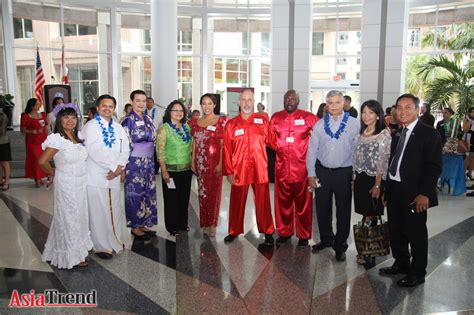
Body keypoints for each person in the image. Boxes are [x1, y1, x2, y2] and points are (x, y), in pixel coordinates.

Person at [380, 93, 442, 287]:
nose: (403, 111)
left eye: (408, 107)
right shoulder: (398, 132)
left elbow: (433, 167)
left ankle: (417, 271)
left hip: (416, 194)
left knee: (415, 233)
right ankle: (401, 262)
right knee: (396, 230)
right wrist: (386, 190)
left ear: (418, 110)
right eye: (399, 108)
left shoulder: (429, 134)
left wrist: (425, 194)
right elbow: (393, 163)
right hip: (395, 190)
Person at [307, 90, 360, 262]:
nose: (334, 106)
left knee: (343, 210)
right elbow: (312, 150)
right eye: (331, 103)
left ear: (344, 103)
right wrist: (311, 173)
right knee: (322, 208)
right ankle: (326, 239)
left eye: (338, 102)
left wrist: (355, 176)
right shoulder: (320, 125)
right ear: (326, 105)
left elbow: (358, 152)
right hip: (322, 172)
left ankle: (340, 245)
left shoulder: (354, 124)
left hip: (343, 173)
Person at [38, 103, 93, 269]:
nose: (70, 120)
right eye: (66, 117)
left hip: (81, 182)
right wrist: (53, 172)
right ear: (59, 120)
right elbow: (42, 161)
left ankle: (64, 249)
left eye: (73, 117)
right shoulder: (57, 139)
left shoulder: (78, 137)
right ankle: (72, 256)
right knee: (70, 218)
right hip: (66, 183)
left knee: (79, 216)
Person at [223, 88, 275, 244]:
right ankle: (234, 230)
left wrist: (294, 145)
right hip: (239, 170)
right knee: (236, 202)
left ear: (254, 102)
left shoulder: (263, 121)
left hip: (260, 169)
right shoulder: (231, 125)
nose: (246, 103)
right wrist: (229, 171)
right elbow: (226, 149)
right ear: (238, 102)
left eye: (249, 100)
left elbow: (274, 142)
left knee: (263, 202)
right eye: (243, 100)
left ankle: (268, 231)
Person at [83, 94, 130, 259]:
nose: (107, 108)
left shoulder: (118, 127)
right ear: (97, 108)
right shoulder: (91, 126)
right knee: (98, 212)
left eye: (111, 106)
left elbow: (125, 149)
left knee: (114, 210)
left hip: (114, 176)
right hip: (96, 176)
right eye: (104, 105)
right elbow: (94, 150)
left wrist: (119, 167)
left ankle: (115, 241)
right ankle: (101, 246)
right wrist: (113, 167)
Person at [269, 90, 318, 246]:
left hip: (303, 170)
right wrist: (282, 147)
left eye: (292, 99)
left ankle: (304, 235)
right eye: (286, 99)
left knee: (304, 205)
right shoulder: (276, 118)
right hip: (282, 169)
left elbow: (319, 138)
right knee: (283, 204)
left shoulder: (309, 118)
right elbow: (270, 140)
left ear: (298, 101)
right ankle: (284, 232)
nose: (289, 101)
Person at [352, 100, 391, 264]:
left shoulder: (383, 134)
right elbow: (357, 158)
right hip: (360, 178)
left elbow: (383, 161)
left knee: (373, 214)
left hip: (374, 179)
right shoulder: (363, 132)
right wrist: (354, 178)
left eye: (370, 112)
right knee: (365, 214)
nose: (366, 116)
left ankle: (371, 253)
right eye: (364, 112)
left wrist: (377, 185)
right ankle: (365, 248)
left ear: (377, 115)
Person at [121, 90, 157, 241]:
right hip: (134, 162)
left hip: (148, 161)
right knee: (134, 193)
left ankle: (143, 223)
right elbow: (122, 145)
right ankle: (135, 226)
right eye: (138, 101)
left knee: (147, 192)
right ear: (131, 101)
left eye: (143, 101)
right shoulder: (127, 120)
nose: (141, 104)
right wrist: (122, 167)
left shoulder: (148, 118)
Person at [190, 94, 227, 237]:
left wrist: (220, 163)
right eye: (204, 103)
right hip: (200, 164)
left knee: (214, 194)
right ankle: (204, 222)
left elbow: (223, 145)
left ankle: (213, 223)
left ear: (214, 105)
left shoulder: (220, 121)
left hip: (214, 163)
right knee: (202, 194)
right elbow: (194, 142)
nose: (207, 106)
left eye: (210, 103)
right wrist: (193, 160)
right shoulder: (196, 122)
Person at [156, 100, 193, 236]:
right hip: (171, 171)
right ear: (169, 112)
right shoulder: (164, 129)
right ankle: (172, 226)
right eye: (175, 110)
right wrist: (164, 171)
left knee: (184, 198)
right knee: (172, 199)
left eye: (181, 110)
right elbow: (160, 151)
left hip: (186, 169)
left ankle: (183, 223)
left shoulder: (186, 127)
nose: (178, 113)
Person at [20, 98, 48, 187]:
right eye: (37, 104)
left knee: (43, 159)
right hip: (32, 141)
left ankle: (40, 178)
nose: (39, 105)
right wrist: (33, 132)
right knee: (36, 160)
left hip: (42, 141)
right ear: (32, 106)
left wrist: (48, 139)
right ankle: (37, 179)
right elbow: (22, 130)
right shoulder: (26, 116)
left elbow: (45, 127)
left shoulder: (42, 114)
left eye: (39, 104)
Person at [0, 107, 11, 191]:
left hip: (3, 141)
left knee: (4, 162)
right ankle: (1, 181)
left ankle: (6, 182)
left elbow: (2, 131)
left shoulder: (2, 115)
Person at [463, 107, 474, 194]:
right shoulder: (467, 119)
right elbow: (465, 130)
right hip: (469, 139)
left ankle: (469, 173)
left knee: (472, 158)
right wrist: (470, 123)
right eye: (472, 112)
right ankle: (463, 174)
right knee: (469, 157)